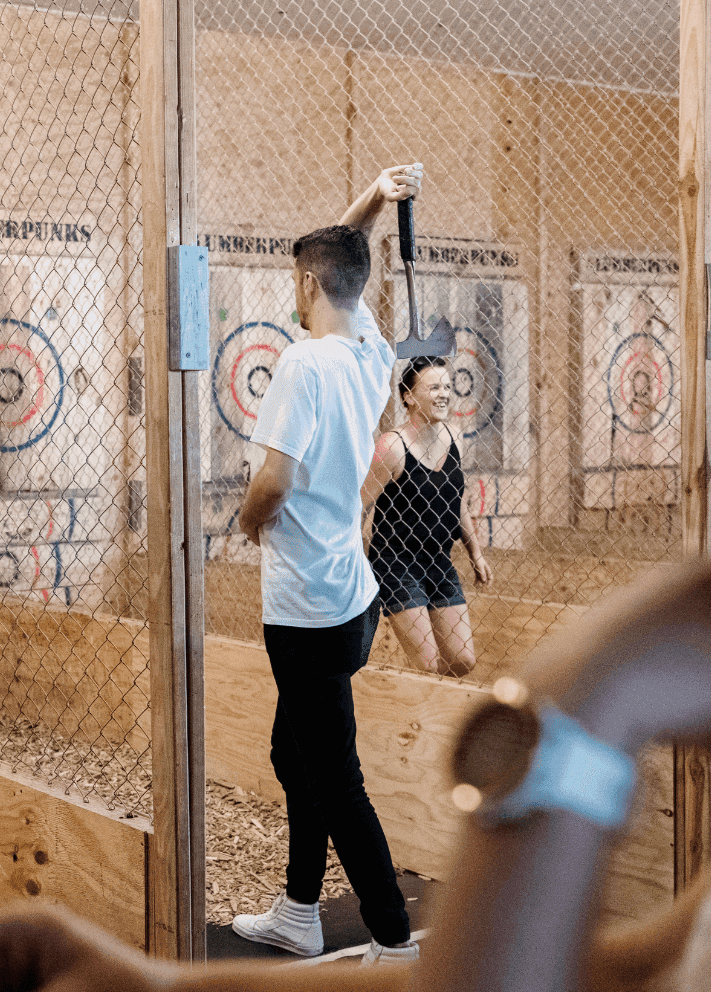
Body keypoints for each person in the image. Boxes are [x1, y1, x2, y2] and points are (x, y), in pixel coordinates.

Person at [0, 0, 711, 989]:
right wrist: (162, 987)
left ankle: (355, 911)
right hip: (360, 583)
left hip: (322, 593)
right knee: (314, 754)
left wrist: (574, 713)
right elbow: (621, 968)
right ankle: (317, 911)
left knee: (324, 757)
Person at [227, 162, 424, 965]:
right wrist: (376, 199)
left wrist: (246, 524)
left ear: (308, 283)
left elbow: (272, 480)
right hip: (352, 600)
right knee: (292, 751)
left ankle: (393, 939)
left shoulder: (304, 363)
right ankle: (299, 910)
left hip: (305, 607)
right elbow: (349, 254)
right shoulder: (367, 348)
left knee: (334, 777)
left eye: (296, 279)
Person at [365, 355, 493, 676]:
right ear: (408, 396)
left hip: (438, 560)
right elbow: (360, 507)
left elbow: (456, 500)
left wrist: (475, 551)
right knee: (428, 664)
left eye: (448, 386)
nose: (444, 393)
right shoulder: (391, 447)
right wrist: (357, 566)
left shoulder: (454, 438)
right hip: (396, 563)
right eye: (434, 386)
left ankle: (431, 709)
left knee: (462, 661)